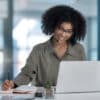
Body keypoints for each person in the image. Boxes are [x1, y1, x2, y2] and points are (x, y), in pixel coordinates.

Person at [2, 5, 86, 90]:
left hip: (69, 96)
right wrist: (13, 84)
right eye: (60, 29)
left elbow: (82, 75)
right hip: (43, 97)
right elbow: (27, 74)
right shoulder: (38, 50)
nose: (63, 34)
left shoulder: (79, 50)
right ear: (53, 26)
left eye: (68, 31)